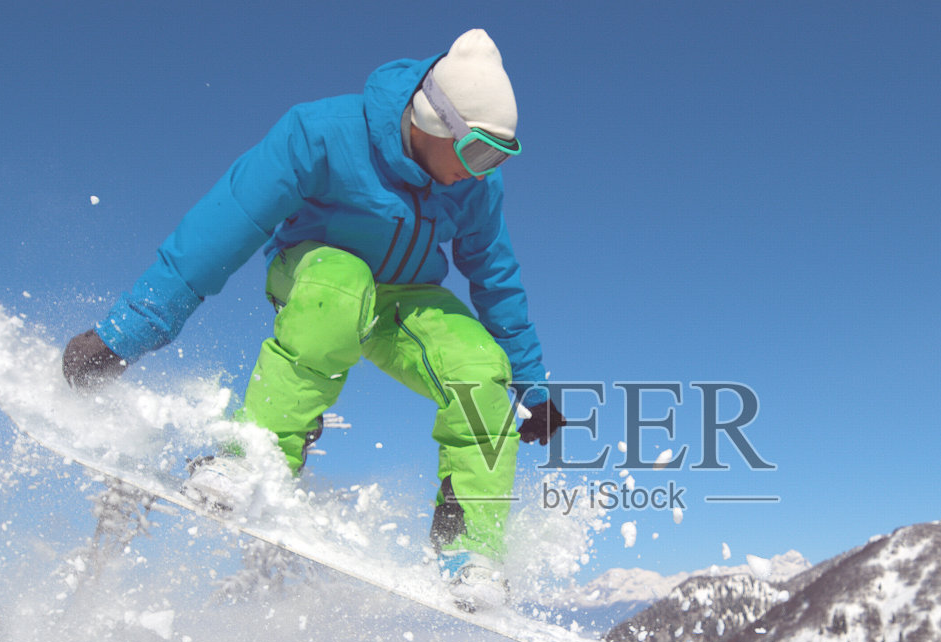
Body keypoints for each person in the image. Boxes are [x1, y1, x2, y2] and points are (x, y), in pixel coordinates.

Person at [60, 29, 565, 600]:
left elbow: (495, 277)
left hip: (405, 298)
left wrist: (531, 387)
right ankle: (257, 457)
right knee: (340, 287)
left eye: (498, 157)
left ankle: (468, 547)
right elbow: (222, 227)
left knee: (480, 366)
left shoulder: (475, 186)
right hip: (313, 274)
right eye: (478, 151)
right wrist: (126, 334)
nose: (482, 170)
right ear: (434, 120)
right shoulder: (322, 133)